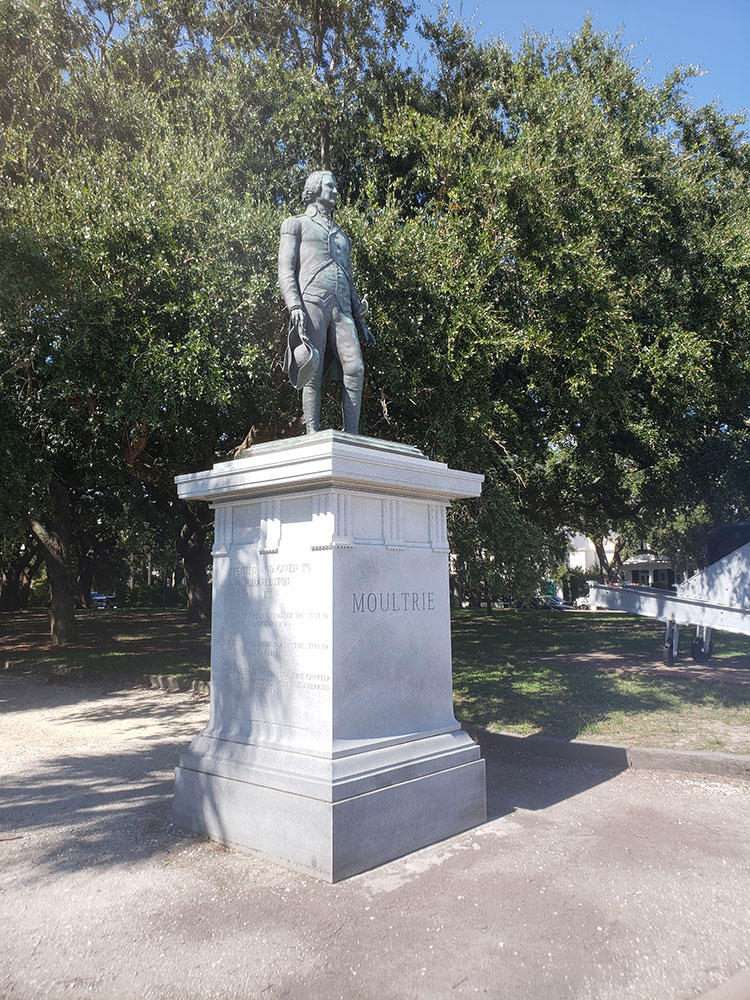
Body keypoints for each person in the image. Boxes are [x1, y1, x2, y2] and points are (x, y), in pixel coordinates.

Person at [278, 170, 375, 434]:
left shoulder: (342, 236)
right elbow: (285, 271)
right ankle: (312, 431)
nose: (335, 191)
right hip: (312, 301)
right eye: (330, 186)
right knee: (313, 367)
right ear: (315, 189)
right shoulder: (295, 224)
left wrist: (361, 319)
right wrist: (294, 305)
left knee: (355, 368)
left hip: (342, 309)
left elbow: (349, 279)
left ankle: (351, 435)